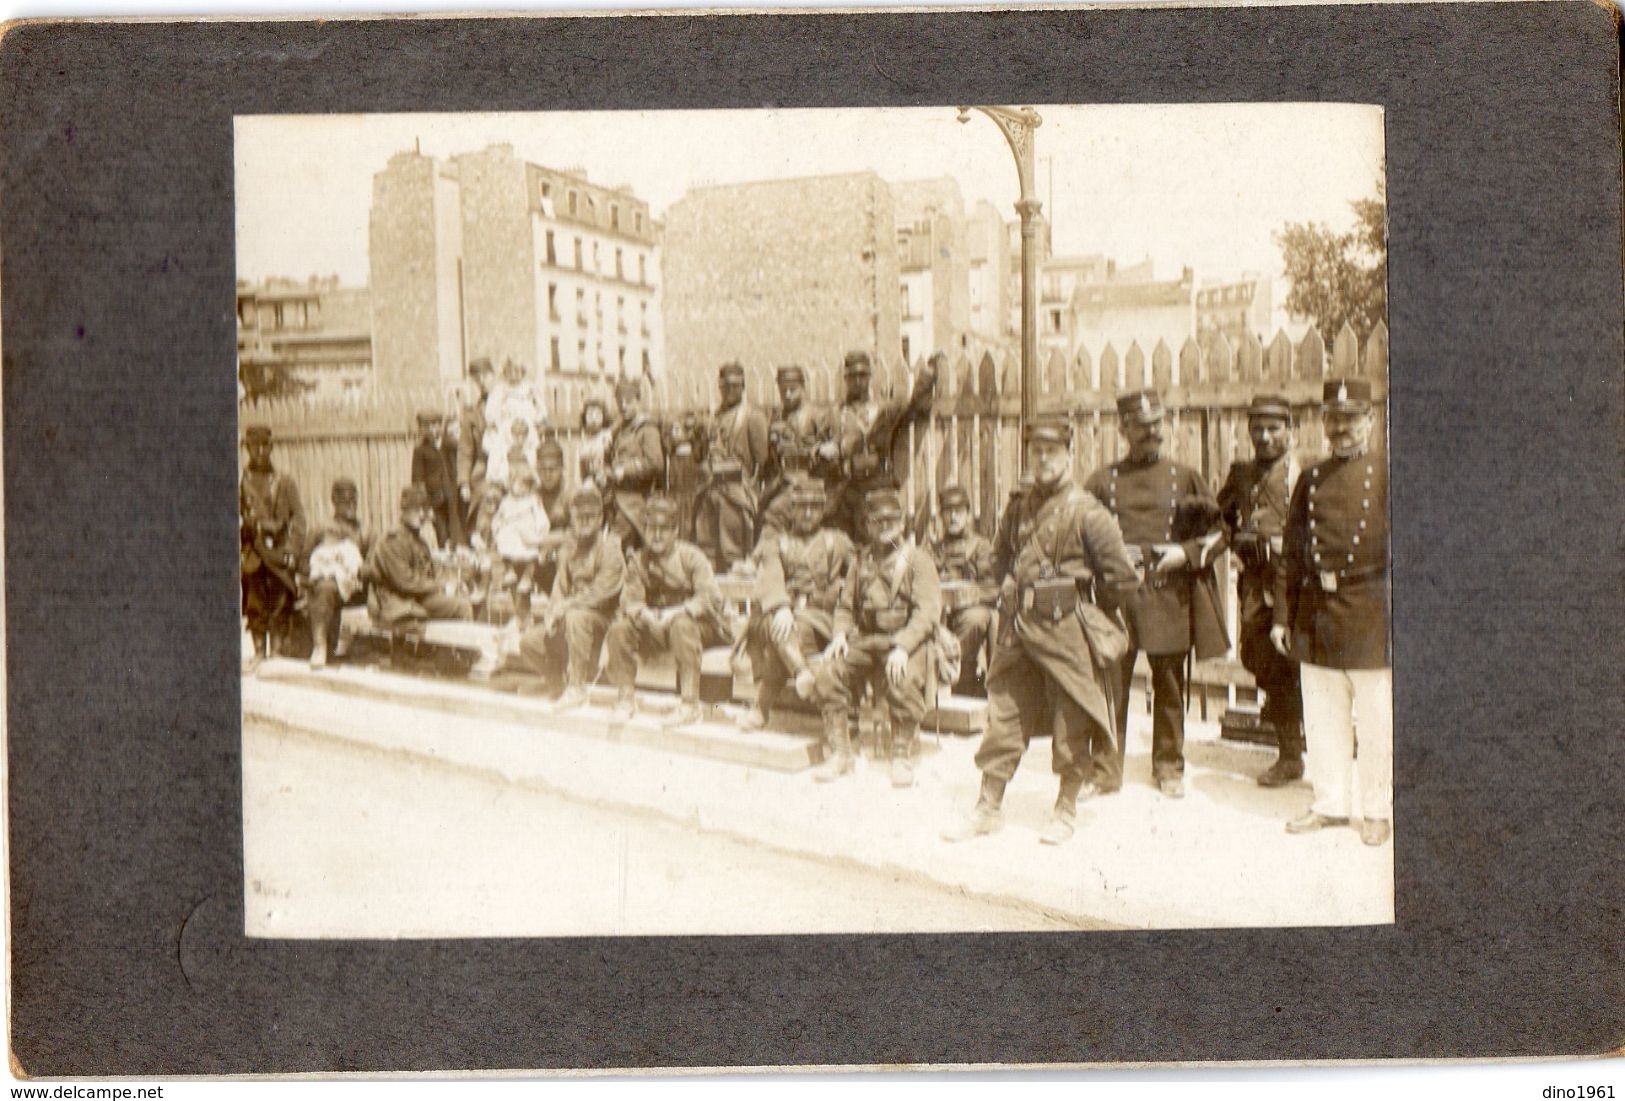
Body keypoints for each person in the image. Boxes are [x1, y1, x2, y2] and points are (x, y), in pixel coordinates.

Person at [944, 417, 1139, 844]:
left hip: (1067, 630)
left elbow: (1121, 578)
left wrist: (1089, 613)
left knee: (1072, 724)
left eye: (1052, 451)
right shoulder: (1018, 506)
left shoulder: (1089, 513)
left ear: (1069, 454)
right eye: (1036, 451)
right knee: (1004, 717)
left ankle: (1066, 808)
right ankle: (988, 806)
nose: (1044, 459)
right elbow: (998, 561)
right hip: (1018, 629)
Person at [1084, 390, 1228, 799]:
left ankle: (1168, 766)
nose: (1150, 432)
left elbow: (1221, 535)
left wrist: (1184, 554)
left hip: (1168, 595)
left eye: (1155, 424)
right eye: (1140, 425)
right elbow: (1076, 534)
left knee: (1169, 685)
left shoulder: (1184, 478)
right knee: (1111, 684)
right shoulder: (1101, 481)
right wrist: (1110, 551)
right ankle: (1105, 770)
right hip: (1118, 599)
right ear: (1122, 428)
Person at [1274, 379, 1392, 847]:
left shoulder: (1386, 472)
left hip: (1370, 611)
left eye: (1351, 418)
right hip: (1318, 611)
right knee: (1323, 717)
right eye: (1333, 419)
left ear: (1370, 420)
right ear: (1323, 422)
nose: (1341, 428)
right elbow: (1291, 554)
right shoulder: (1312, 479)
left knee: (1378, 719)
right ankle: (1330, 804)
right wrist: (1283, 617)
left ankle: (1378, 808)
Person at [811, 488, 942, 788]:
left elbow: (927, 611)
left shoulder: (918, 560)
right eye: (877, 522)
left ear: (901, 524)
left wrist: (904, 647)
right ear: (868, 525)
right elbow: (845, 605)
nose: (884, 528)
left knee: (903, 676)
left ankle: (902, 753)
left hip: (905, 640)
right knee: (828, 671)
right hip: (868, 638)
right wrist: (840, 635)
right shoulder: (862, 560)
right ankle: (842, 751)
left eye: (891, 522)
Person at [1218, 393, 1306, 787]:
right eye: (1258, 429)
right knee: (1260, 659)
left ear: (1291, 429)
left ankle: (1294, 755)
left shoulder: (1305, 470)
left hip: (1297, 583)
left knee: (1298, 664)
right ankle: (1288, 746)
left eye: (1274, 429)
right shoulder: (1240, 473)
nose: (1266, 437)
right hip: (1256, 584)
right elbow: (1219, 520)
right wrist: (1239, 541)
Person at [603, 496, 731, 727]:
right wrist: (645, 615)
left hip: (699, 629)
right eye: (652, 528)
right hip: (657, 626)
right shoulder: (638, 560)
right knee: (619, 629)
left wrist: (677, 612)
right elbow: (630, 600)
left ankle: (690, 704)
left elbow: (710, 598)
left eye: (664, 529)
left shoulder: (691, 557)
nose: (657, 535)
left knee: (682, 624)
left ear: (675, 530)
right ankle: (625, 699)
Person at [740, 479, 855, 730]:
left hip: (824, 619)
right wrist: (781, 607)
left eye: (814, 507)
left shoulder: (837, 541)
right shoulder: (778, 542)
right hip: (792, 616)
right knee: (782, 627)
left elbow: (858, 573)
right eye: (801, 507)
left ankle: (761, 708)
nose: (807, 513)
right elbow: (770, 575)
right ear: (791, 509)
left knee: (785, 635)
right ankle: (802, 672)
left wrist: (843, 594)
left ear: (823, 509)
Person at [518, 485, 624, 708]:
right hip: (573, 624)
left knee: (577, 616)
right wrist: (552, 612)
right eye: (579, 517)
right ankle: (558, 685)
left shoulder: (611, 548)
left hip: (603, 627)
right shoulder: (570, 549)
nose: (584, 522)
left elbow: (601, 593)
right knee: (529, 642)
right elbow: (560, 587)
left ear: (600, 518)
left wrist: (565, 607)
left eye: (590, 516)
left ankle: (577, 688)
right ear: (572, 519)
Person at [827, 350, 938, 540]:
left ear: (870, 377)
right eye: (852, 377)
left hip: (878, 485)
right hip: (849, 489)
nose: (858, 381)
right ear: (845, 379)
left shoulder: (884, 410)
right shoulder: (837, 414)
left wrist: (927, 376)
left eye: (862, 375)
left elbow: (914, 407)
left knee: (882, 538)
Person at [240, 425, 306, 670]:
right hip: (253, 550)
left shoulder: (284, 481)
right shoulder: (241, 482)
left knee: (280, 597)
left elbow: (299, 519)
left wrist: (292, 550)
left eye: (264, 446)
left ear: (272, 447)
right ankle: (259, 652)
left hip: (279, 551)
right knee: (254, 600)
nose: (259, 451)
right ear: (246, 448)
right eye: (254, 446)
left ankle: (277, 652)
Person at [694, 362, 771, 572]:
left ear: (743, 386)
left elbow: (762, 461)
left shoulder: (753, 417)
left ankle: (735, 573)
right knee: (705, 539)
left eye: (735, 386)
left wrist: (749, 487)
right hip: (711, 486)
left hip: (738, 489)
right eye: (725, 386)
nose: (730, 391)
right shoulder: (713, 418)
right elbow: (699, 456)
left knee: (732, 538)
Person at [369, 485, 474, 628]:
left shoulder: (419, 541)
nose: (422, 515)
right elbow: (405, 582)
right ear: (405, 511)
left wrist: (454, 583)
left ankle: (452, 649)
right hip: (399, 602)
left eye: (424, 509)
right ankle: (463, 650)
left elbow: (431, 571)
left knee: (466, 597)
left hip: (418, 597)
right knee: (462, 606)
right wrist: (442, 587)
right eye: (416, 509)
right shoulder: (392, 541)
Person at [931, 483, 999, 696]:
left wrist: (967, 594)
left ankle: (951, 670)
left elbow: (993, 588)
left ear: (968, 514)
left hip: (969, 613)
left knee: (976, 618)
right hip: (938, 614)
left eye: (958, 512)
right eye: (948, 512)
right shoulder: (934, 549)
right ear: (941, 516)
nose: (953, 518)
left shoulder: (980, 547)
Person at [302, 477, 373, 669]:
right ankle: (320, 646)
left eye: (353, 500)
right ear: (334, 501)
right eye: (344, 500)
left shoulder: (364, 532)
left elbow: (373, 564)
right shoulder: (320, 529)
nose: (350, 505)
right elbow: (304, 561)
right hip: (326, 586)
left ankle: (365, 645)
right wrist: (321, 571)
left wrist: (357, 572)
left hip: (356, 588)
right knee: (325, 588)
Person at [759, 364, 835, 537]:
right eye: (782, 390)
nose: (787, 395)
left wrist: (816, 451)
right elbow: (770, 458)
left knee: (774, 516)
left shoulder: (818, 416)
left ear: (803, 387)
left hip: (809, 483)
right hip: (781, 482)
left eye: (792, 389)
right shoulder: (775, 418)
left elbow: (831, 454)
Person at [598, 378, 665, 550]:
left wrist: (625, 470)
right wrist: (605, 471)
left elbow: (656, 463)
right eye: (619, 401)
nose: (623, 406)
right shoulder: (619, 430)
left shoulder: (646, 429)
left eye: (628, 401)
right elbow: (610, 459)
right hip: (615, 498)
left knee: (613, 545)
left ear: (638, 400)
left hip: (637, 499)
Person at [492, 464, 551, 622]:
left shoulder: (533, 500)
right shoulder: (506, 501)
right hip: (511, 532)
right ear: (511, 483)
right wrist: (496, 527)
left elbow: (540, 517)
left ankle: (527, 576)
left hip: (527, 532)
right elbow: (499, 517)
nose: (521, 488)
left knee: (531, 551)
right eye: (518, 484)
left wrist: (540, 530)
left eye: (525, 485)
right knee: (504, 539)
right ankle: (509, 569)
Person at [411, 409, 464, 547]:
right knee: (441, 532)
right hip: (435, 497)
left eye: (434, 425)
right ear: (421, 429)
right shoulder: (420, 450)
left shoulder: (451, 445)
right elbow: (417, 479)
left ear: (441, 426)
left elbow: (461, 465)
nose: (431, 430)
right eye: (426, 427)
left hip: (454, 494)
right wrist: (424, 503)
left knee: (457, 530)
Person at [456, 358, 497, 528]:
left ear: (494, 376)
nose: (481, 382)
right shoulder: (472, 413)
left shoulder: (511, 404)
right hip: (483, 474)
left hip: (511, 470)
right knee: (484, 524)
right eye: (476, 378)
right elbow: (465, 450)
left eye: (485, 376)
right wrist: (464, 482)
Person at [532, 439, 572, 594]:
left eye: (552, 469)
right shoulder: (532, 494)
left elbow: (577, 533)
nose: (547, 475)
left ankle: (561, 598)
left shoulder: (571, 493)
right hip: (539, 550)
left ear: (562, 468)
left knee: (563, 554)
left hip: (566, 552)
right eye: (543, 470)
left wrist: (548, 541)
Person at [576, 397, 615, 485]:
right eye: (590, 415)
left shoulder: (607, 435)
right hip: (589, 480)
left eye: (597, 415)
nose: (594, 419)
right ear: (584, 418)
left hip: (606, 479)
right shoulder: (583, 441)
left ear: (604, 417)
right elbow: (582, 467)